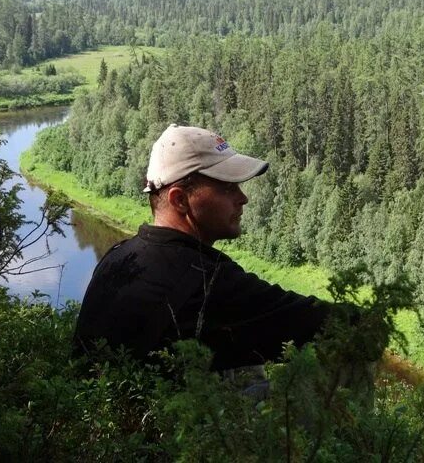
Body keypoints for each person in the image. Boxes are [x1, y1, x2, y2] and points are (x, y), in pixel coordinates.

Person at [73, 123, 342, 371]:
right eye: (227, 188)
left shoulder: (119, 254)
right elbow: (317, 323)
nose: (243, 198)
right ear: (180, 200)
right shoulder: (204, 282)